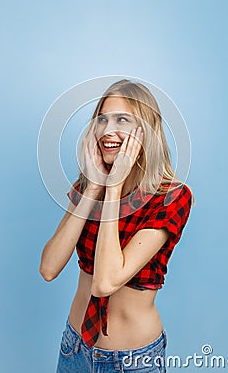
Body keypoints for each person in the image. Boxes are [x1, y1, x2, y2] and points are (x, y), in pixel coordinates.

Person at [39, 79, 194, 373]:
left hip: (132, 361)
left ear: (146, 133)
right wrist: (94, 189)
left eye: (122, 120)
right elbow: (48, 268)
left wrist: (114, 188)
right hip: (76, 348)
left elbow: (105, 282)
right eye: (102, 119)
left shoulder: (171, 198)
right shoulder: (89, 185)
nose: (107, 130)